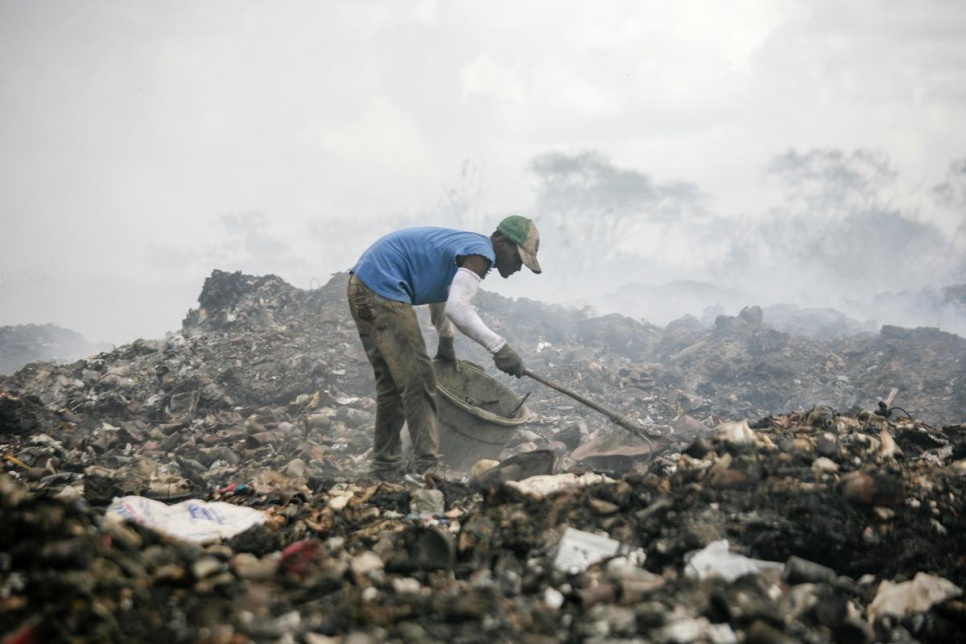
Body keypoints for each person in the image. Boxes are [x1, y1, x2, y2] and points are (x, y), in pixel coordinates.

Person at [347, 215, 541, 479]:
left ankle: (384, 466)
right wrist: (500, 348)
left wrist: (446, 340)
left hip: (363, 284)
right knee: (420, 378)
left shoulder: (467, 248)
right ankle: (428, 465)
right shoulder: (480, 254)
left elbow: (444, 293)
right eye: (518, 258)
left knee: (393, 384)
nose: (518, 267)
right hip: (382, 288)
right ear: (502, 241)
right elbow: (458, 307)